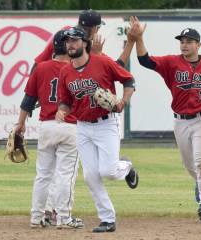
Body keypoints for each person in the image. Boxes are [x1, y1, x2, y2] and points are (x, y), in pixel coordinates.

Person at [132, 17, 201, 223]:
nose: (185, 44)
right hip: (180, 122)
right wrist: (138, 38)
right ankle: (199, 183)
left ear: (198, 45)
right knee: (191, 166)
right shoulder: (171, 62)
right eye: (182, 41)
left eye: (189, 41)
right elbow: (145, 60)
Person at [55, 27, 138, 233]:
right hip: (82, 126)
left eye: (75, 40)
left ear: (84, 43)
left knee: (108, 171)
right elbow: (66, 100)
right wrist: (62, 111)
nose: (70, 44)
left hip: (106, 123)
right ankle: (107, 219)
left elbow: (129, 81)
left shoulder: (102, 62)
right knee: (90, 176)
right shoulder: (66, 71)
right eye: (68, 41)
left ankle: (126, 166)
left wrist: (123, 101)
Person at [15, 30, 84, 229]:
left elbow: (28, 100)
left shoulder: (41, 68)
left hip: (46, 126)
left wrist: (20, 124)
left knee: (43, 175)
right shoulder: (76, 69)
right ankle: (63, 218)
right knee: (65, 175)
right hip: (70, 126)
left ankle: (36, 218)